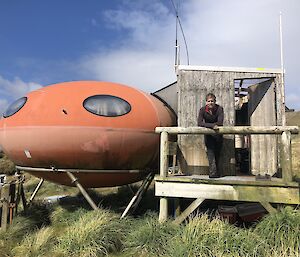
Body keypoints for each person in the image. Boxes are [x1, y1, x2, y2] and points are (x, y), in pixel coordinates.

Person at [197, 93, 224, 178]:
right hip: (208, 135)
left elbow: (220, 122)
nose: (210, 103)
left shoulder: (219, 109)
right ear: (206, 102)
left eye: (212, 101)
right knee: (210, 154)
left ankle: (217, 173)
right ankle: (212, 174)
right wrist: (212, 126)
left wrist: (209, 125)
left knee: (217, 155)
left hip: (218, 135)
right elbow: (200, 123)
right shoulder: (202, 110)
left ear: (215, 102)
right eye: (209, 101)